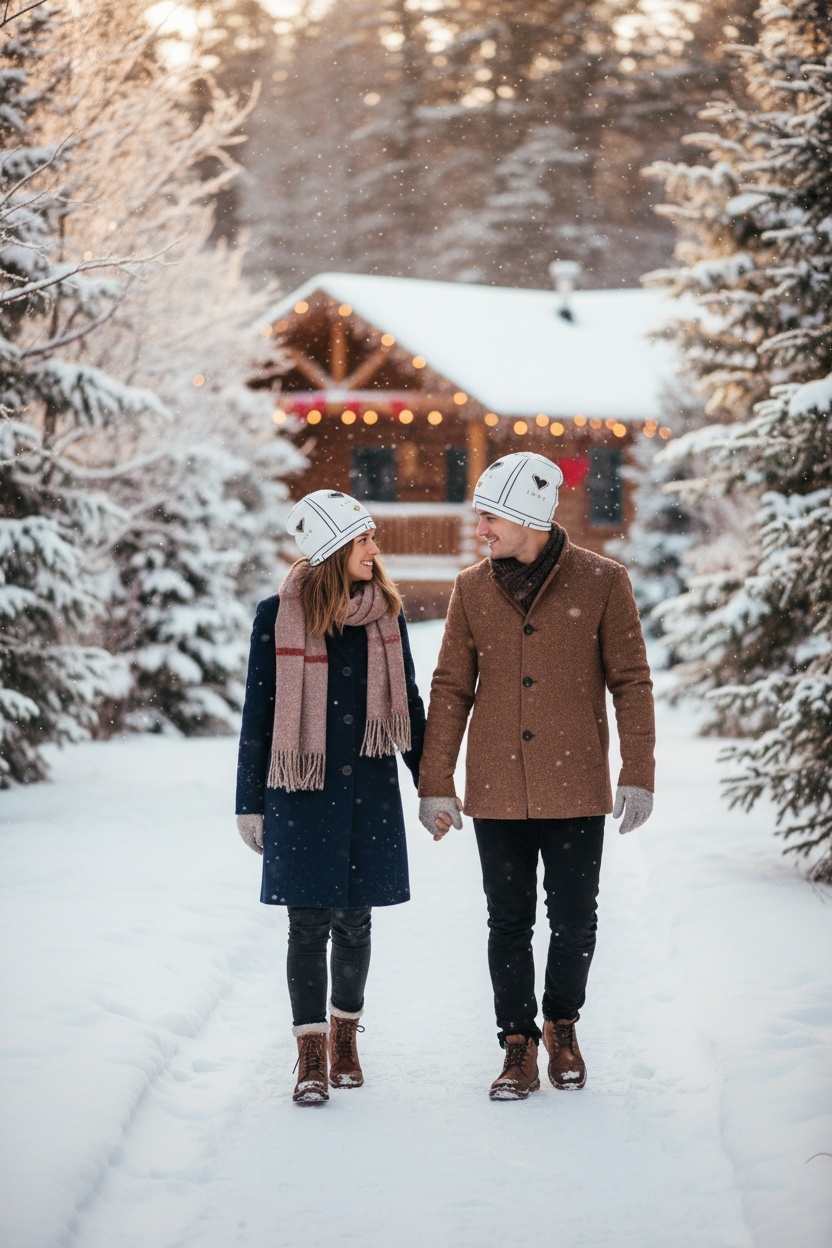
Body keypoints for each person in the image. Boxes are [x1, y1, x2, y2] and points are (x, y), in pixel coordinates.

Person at [417, 451, 655, 1101]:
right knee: (508, 921)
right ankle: (517, 1043)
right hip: (496, 785)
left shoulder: (603, 581)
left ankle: (562, 1023)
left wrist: (637, 771)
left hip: (575, 781)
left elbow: (631, 682)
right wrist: (436, 780)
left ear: (527, 516)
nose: (481, 530)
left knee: (575, 921)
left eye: (490, 517)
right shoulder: (470, 588)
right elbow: (450, 688)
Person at [235, 490, 425, 1105]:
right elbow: (258, 714)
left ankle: (345, 1037)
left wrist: (432, 784)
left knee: (355, 921)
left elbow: (409, 705)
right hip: (301, 789)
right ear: (333, 548)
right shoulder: (276, 616)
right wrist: (248, 802)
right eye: (363, 539)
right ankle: (311, 1052)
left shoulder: (386, 616)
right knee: (307, 924)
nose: (375, 549)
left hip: (368, 787)